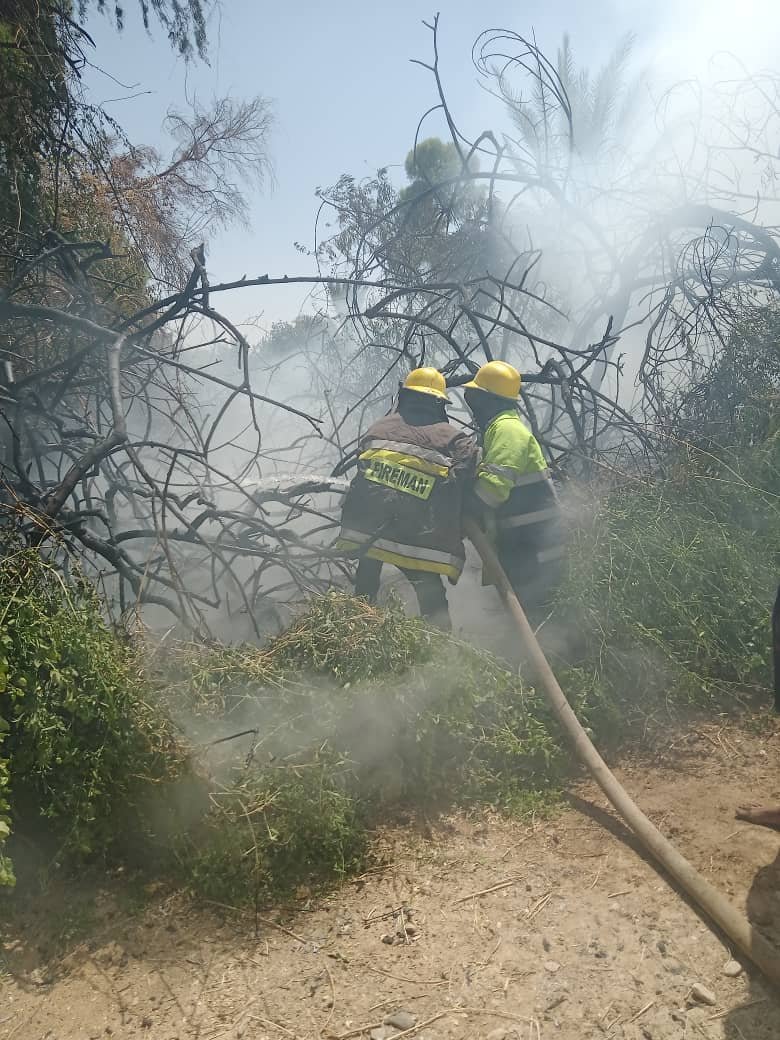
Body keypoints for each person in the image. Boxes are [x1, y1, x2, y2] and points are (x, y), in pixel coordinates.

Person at [338, 367, 478, 629]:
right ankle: (440, 646)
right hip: (419, 540)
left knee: (365, 590)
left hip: (370, 534)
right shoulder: (455, 441)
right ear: (439, 404)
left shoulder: (377, 428)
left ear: (405, 396)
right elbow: (467, 484)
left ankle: (354, 634)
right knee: (431, 598)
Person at [462, 360, 565, 625]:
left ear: (490, 400)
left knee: (541, 620)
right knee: (530, 619)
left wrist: (463, 507)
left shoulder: (507, 430)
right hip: (523, 545)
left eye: (475, 398)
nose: (472, 406)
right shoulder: (500, 428)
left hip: (535, 548)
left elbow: (492, 489)